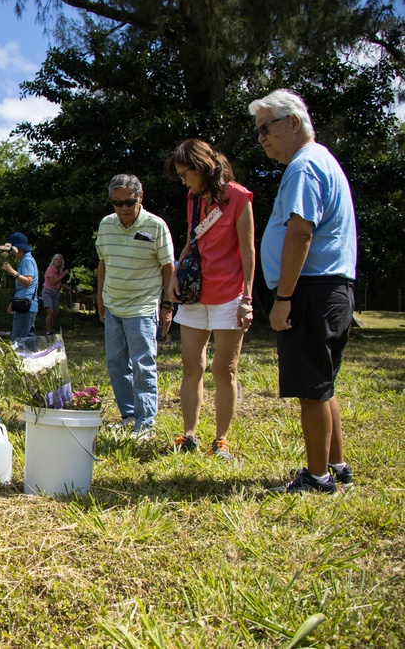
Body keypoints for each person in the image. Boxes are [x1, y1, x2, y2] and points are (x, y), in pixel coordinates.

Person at [249, 89, 357, 493]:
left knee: (311, 388)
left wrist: (283, 298)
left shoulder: (304, 166)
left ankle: (317, 479)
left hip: (311, 290)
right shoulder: (320, 160)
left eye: (266, 128)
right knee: (322, 383)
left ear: (293, 123)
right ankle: (337, 467)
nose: (260, 137)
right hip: (330, 288)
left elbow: (299, 233)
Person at [164, 139, 255, 460]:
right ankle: (189, 435)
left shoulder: (239, 197)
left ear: (202, 167)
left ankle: (221, 440)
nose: (183, 181)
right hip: (194, 295)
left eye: (185, 173)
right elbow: (192, 240)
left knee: (224, 370)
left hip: (230, 296)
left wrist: (248, 298)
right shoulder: (193, 199)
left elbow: (248, 251)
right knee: (191, 366)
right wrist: (175, 273)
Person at [95, 175, 175, 439]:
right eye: (117, 203)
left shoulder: (156, 225)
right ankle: (128, 416)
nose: (123, 208)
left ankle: (146, 424)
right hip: (113, 304)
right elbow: (103, 262)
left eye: (129, 202)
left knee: (143, 365)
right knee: (116, 363)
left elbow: (168, 267)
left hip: (143, 307)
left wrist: (167, 304)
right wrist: (100, 297)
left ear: (141, 197)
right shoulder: (106, 225)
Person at [1, 232, 39, 341]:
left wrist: (12, 271)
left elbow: (28, 281)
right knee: (29, 341)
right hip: (25, 304)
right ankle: (34, 357)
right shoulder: (26, 260)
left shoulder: (27, 260)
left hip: (26, 306)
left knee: (18, 340)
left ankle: (20, 358)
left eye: (12, 250)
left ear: (18, 248)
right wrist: (14, 302)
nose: (12, 253)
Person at [42, 254, 69, 335]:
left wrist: (65, 287)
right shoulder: (50, 269)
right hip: (48, 291)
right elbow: (53, 282)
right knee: (50, 312)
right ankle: (48, 331)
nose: (58, 261)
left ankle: (51, 328)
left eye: (60, 259)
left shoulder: (60, 270)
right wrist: (64, 275)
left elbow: (58, 282)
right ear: (53, 261)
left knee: (56, 313)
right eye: (56, 259)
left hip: (55, 292)